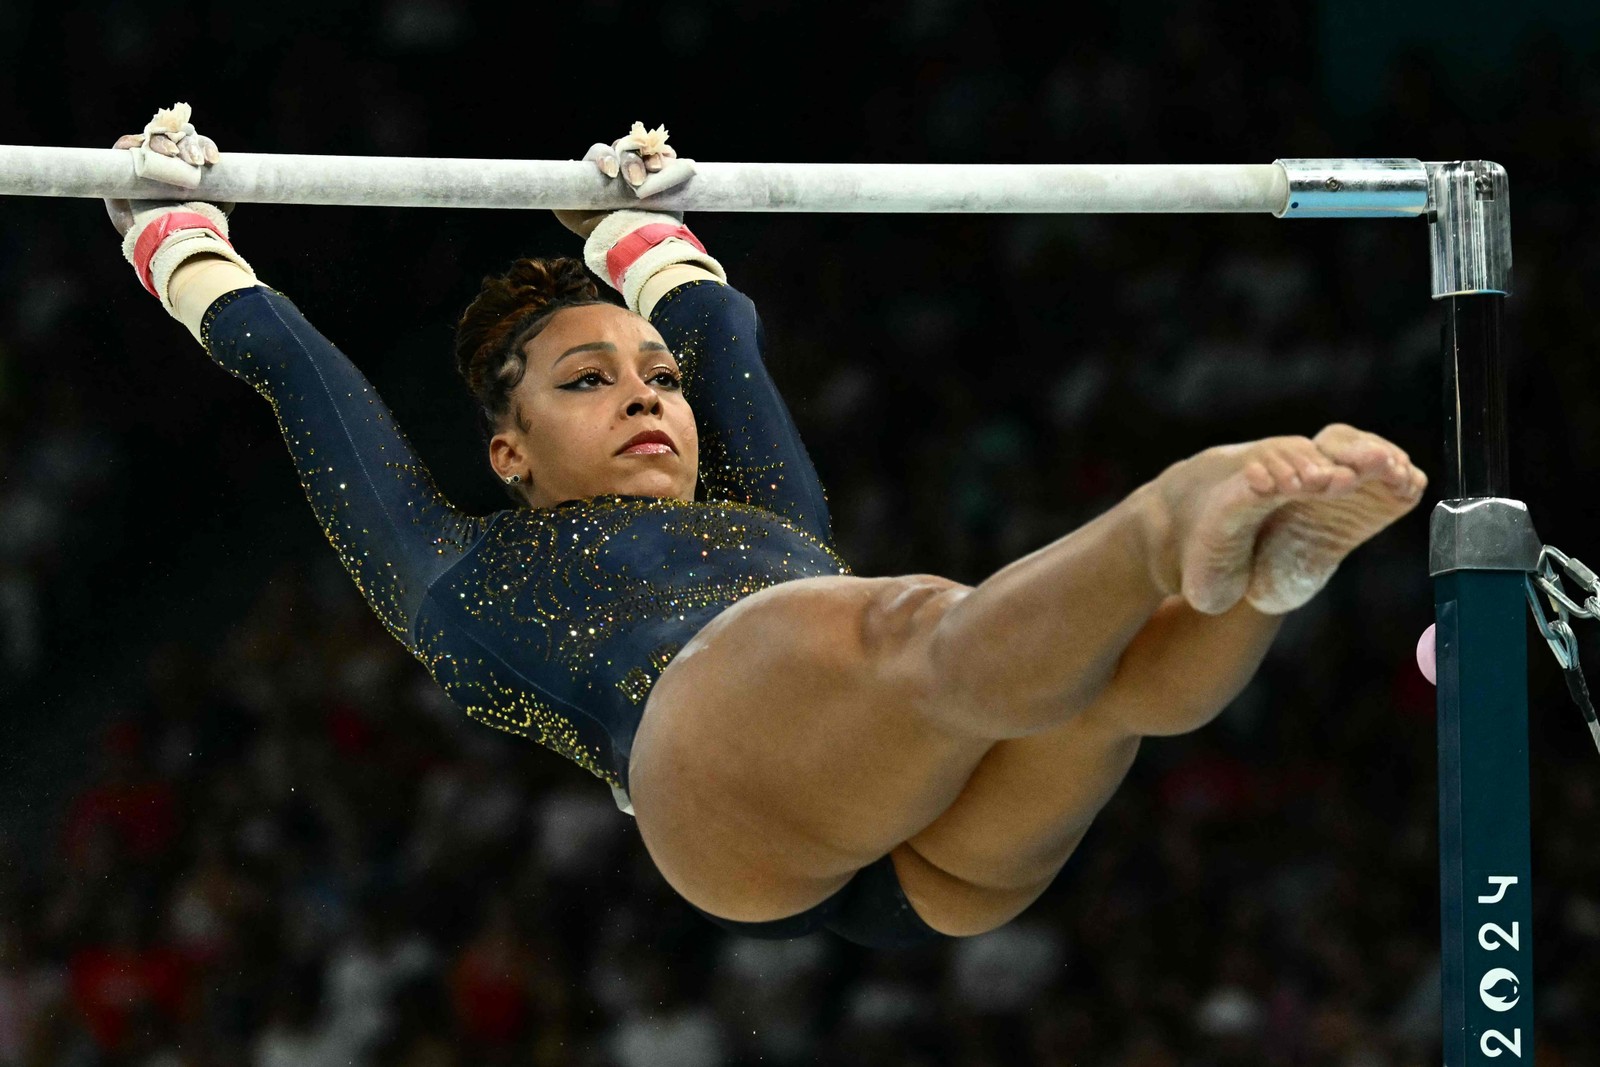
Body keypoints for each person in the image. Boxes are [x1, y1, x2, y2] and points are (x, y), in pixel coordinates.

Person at [105, 105, 1427, 949]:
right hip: (722, 796)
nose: (647, 397)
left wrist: (630, 221)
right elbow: (297, 371)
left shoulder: (765, 514)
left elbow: (718, 327)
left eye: (655, 382)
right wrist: (167, 228)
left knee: (1116, 682)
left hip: (932, 873)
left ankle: (1266, 583)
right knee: (916, 625)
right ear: (507, 453)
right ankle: (1167, 511)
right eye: (585, 383)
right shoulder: (460, 567)